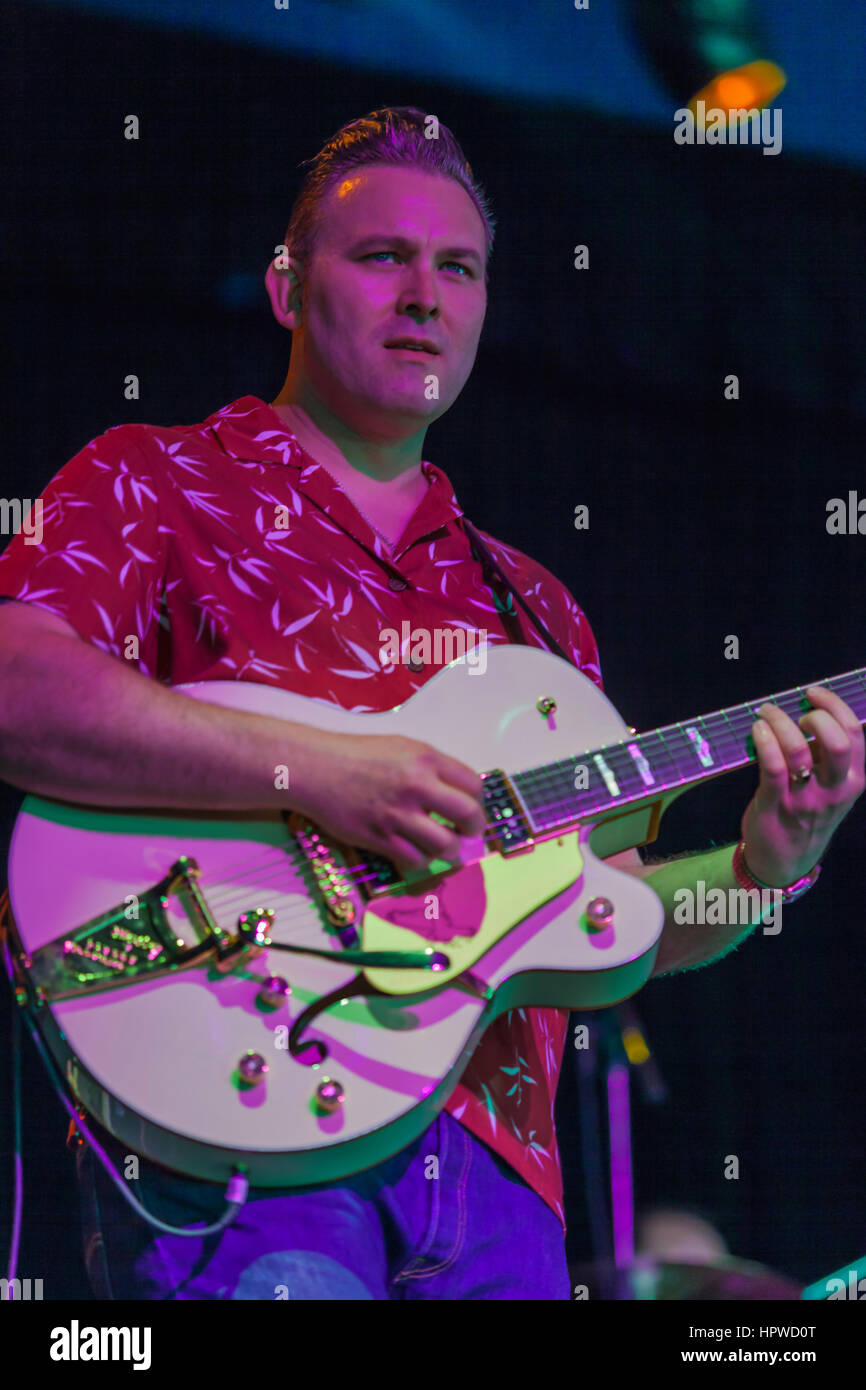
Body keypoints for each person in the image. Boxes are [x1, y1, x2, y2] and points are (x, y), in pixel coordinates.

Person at [0, 107, 862, 1301]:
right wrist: (320, 773)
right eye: (381, 257)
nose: (425, 294)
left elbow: (604, 924)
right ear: (286, 288)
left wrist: (767, 862)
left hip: (500, 1182)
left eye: (457, 268)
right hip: (247, 1111)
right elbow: (20, 686)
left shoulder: (541, 611)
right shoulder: (158, 477)